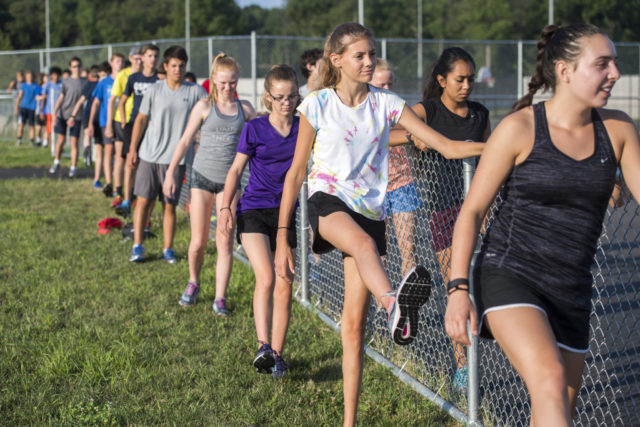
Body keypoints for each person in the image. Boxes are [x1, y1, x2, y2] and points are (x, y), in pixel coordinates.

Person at [274, 22, 484, 426]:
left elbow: (448, 146)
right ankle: (394, 304)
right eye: (360, 55)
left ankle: (349, 422)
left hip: (371, 213)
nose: (369, 61)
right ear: (336, 60)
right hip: (327, 202)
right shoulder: (316, 105)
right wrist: (284, 236)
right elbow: (296, 172)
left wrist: (507, 148)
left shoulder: (386, 103)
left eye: (371, 54)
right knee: (367, 250)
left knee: (353, 329)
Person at [444, 24, 640, 425]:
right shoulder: (519, 128)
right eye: (602, 63)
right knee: (549, 380)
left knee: (557, 408)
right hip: (510, 272)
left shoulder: (618, 130)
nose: (615, 73)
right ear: (565, 70)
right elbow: (472, 212)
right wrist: (457, 289)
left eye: (615, 63)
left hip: (572, 289)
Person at [408, 47, 491, 392]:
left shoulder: (479, 115)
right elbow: (386, 133)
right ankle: (462, 366)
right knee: (456, 286)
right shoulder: (426, 110)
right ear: (441, 80)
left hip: (479, 205)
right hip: (444, 210)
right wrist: (417, 137)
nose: (467, 85)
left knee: (487, 283)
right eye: (460, 79)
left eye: (471, 79)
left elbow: (492, 155)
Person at [216, 65, 298, 377]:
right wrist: (225, 207)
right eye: (279, 97)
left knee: (285, 282)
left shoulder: (304, 129)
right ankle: (262, 345)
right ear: (267, 97)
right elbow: (236, 170)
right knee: (265, 276)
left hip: (286, 212)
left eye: (291, 96)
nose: (286, 103)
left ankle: (277, 355)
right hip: (253, 208)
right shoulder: (255, 129)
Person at [163, 52, 255, 313]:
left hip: (229, 183)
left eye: (233, 83)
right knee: (198, 241)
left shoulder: (245, 109)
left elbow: (263, 136)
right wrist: (171, 172)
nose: (228, 88)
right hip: (201, 178)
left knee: (224, 241)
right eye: (223, 83)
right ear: (213, 80)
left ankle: (220, 298)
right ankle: (194, 281)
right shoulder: (204, 107)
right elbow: (184, 141)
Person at [127, 45, 207, 264]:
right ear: (165, 66)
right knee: (143, 201)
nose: (178, 70)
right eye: (173, 66)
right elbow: (141, 119)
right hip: (149, 156)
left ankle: (167, 249)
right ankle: (137, 245)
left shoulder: (195, 92)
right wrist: (133, 149)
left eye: (182, 66)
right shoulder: (154, 89)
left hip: (176, 160)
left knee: (169, 205)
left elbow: (213, 110)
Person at [371, 58, 422, 279]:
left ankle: (409, 299)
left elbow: (415, 125)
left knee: (408, 249)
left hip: (402, 183)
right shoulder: (364, 110)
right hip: (374, 188)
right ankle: (382, 301)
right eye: (381, 85)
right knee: (380, 252)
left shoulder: (399, 107)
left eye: (390, 84)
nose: (387, 89)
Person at [116, 44, 160, 217]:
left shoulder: (160, 79)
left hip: (154, 126)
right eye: (149, 56)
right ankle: (127, 200)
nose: (152, 59)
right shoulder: (134, 78)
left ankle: (146, 203)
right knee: (131, 162)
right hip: (135, 124)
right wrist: (124, 121)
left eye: (155, 56)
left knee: (149, 165)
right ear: (142, 58)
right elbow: (122, 100)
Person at [106, 48, 142, 205]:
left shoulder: (147, 76)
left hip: (140, 122)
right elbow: (112, 100)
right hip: (123, 121)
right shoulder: (123, 75)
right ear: (130, 58)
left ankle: (134, 192)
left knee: (138, 160)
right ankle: (118, 191)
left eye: (140, 58)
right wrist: (109, 124)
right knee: (121, 157)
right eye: (135, 58)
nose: (138, 61)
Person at [88, 54, 124, 193]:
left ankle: (118, 186)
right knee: (108, 150)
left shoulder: (126, 80)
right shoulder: (104, 82)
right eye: (117, 61)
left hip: (121, 121)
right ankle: (109, 182)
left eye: (121, 61)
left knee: (119, 154)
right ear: (111, 63)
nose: (119, 64)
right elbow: (96, 103)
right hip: (105, 121)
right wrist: (91, 123)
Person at [50, 57, 87, 177]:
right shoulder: (66, 82)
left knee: (74, 142)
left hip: (76, 117)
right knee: (61, 140)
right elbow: (61, 98)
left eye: (78, 66)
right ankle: (56, 162)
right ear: (70, 68)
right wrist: (55, 112)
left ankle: (73, 167)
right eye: (74, 66)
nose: (77, 68)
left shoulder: (85, 82)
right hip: (63, 114)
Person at [71, 64, 105, 189]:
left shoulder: (90, 85)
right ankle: (87, 150)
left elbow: (81, 101)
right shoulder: (99, 85)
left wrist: (72, 115)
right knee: (98, 144)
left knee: (87, 134)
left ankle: (87, 148)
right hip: (94, 116)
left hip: (91, 115)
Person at [13, 70, 40, 146]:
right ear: (26, 77)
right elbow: (20, 96)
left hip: (32, 108)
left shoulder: (36, 85)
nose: (30, 78)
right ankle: (19, 139)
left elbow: (37, 96)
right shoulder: (24, 85)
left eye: (31, 77)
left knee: (31, 125)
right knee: (21, 124)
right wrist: (16, 107)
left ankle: (31, 141)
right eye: (28, 77)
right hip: (23, 107)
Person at [40, 66, 62, 149]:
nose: (56, 76)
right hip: (49, 110)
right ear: (51, 75)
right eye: (54, 74)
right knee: (50, 130)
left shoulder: (61, 84)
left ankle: (58, 147)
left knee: (58, 130)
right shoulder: (48, 85)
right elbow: (44, 98)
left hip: (59, 111)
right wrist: (41, 110)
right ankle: (52, 146)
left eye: (57, 74)